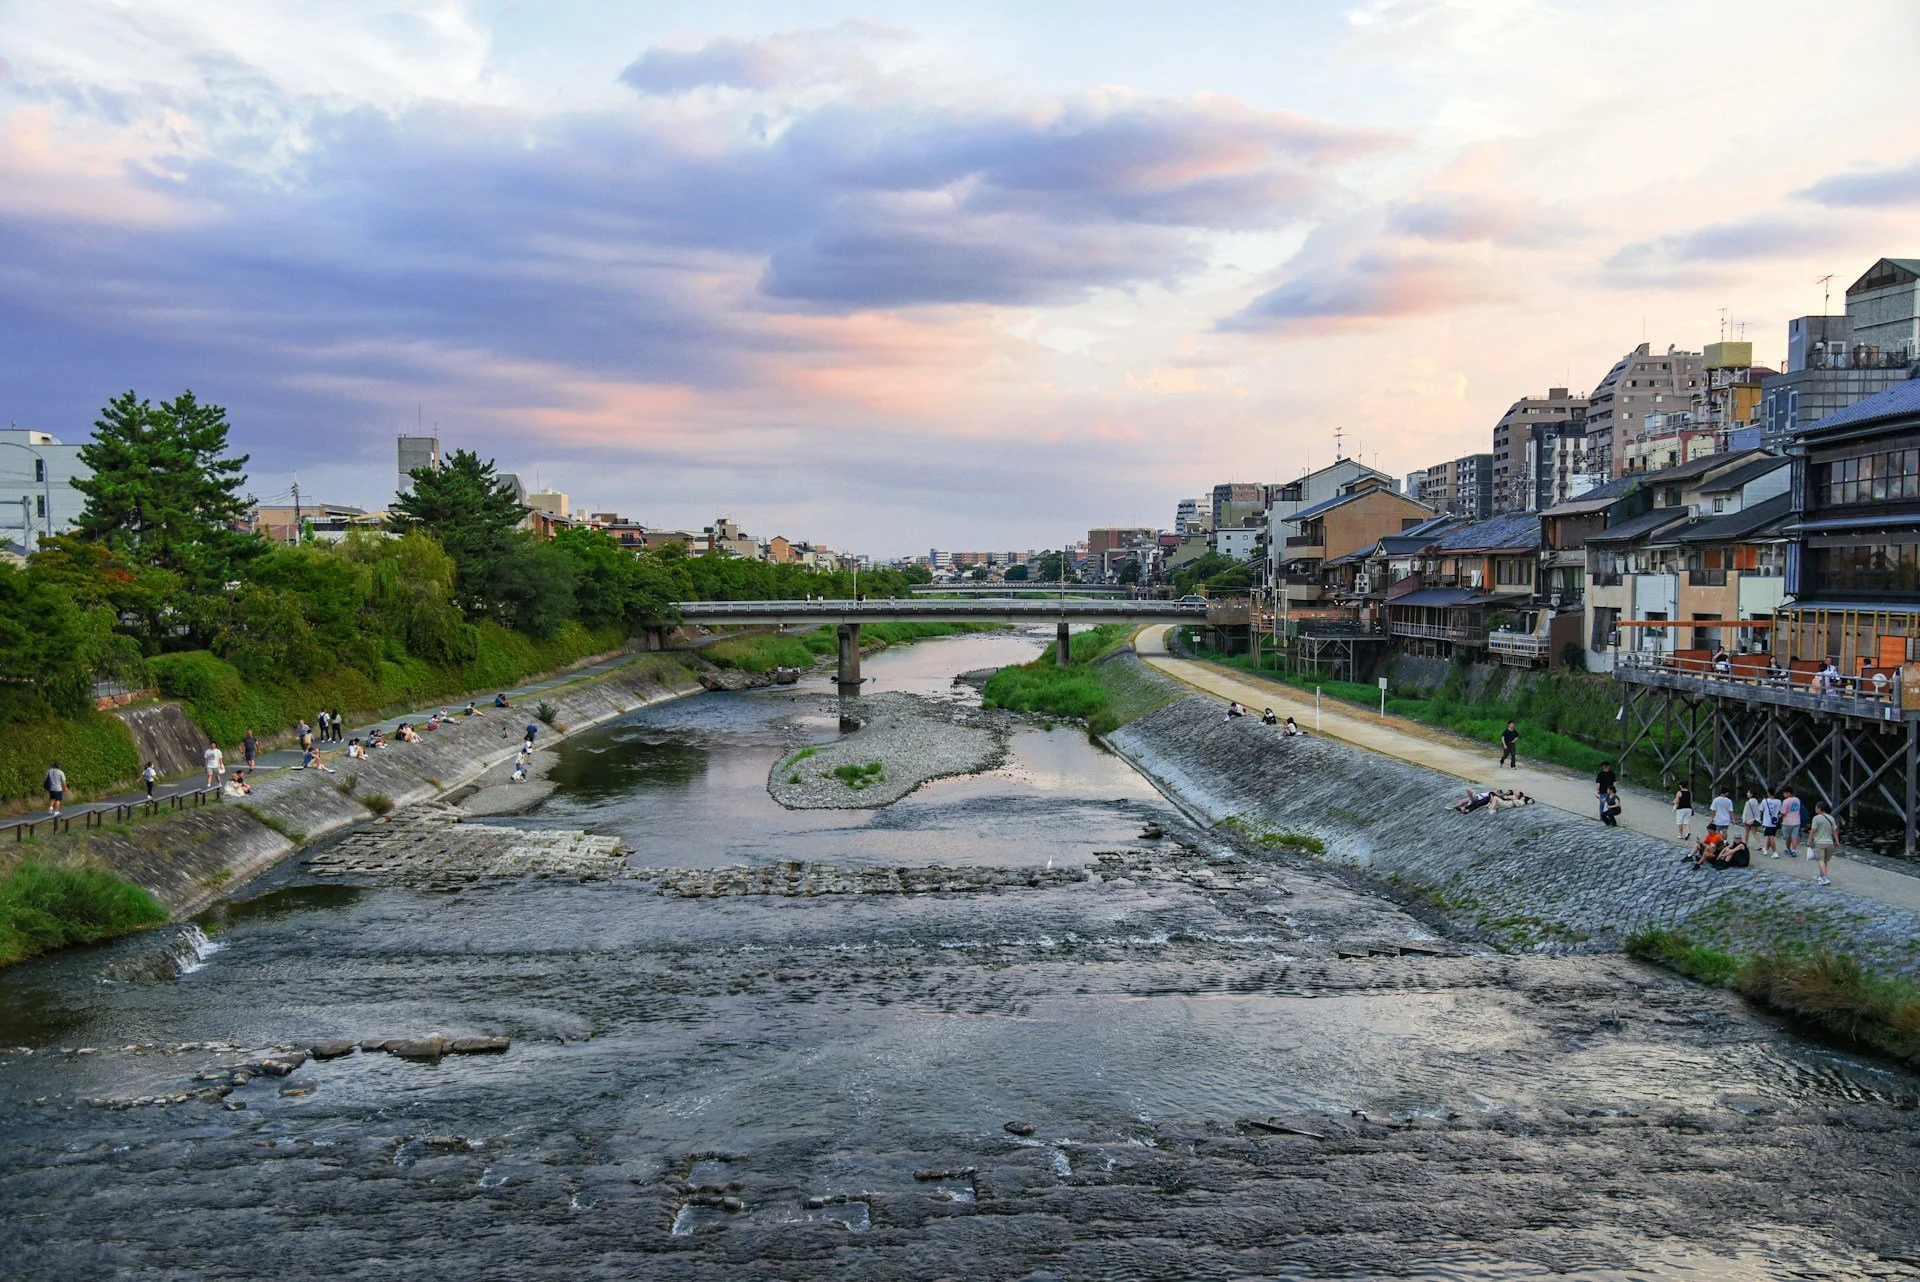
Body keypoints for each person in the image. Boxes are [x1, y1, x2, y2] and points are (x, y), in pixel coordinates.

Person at [1809, 802, 1839, 885]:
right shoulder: (1831, 818)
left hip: (1819, 842)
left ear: (1819, 808)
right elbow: (1835, 831)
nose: (1815, 809)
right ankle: (1821, 875)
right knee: (1824, 860)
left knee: (1820, 860)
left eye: (1816, 808)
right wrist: (1837, 841)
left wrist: (1809, 841)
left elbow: (1813, 830)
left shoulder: (1816, 818)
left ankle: (1825, 877)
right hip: (1829, 843)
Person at [1778, 787, 1804, 858]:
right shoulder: (1797, 800)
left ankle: (1788, 849)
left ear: (1788, 793)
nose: (1783, 794)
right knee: (1794, 836)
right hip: (1796, 821)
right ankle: (1794, 850)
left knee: (1787, 837)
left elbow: (1783, 812)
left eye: (1784, 793)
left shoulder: (1786, 801)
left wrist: (1779, 816)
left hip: (1787, 822)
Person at [1761, 790, 1784, 856]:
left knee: (1771, 837)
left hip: (1767, 822)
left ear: (1768, 793)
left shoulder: (1764, 801)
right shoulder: (1779, 801)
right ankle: (1766, 849)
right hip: (1775, 822)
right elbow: (1780, 811)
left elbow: (1761, 810)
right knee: (1770, 836)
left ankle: (1775, 852)